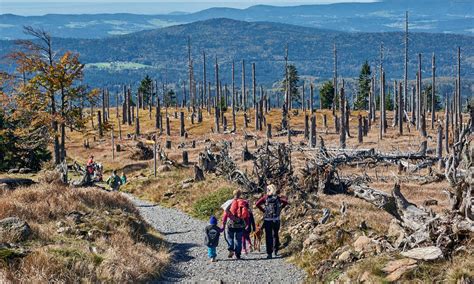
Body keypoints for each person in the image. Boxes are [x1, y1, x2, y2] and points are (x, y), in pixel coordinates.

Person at [255, 184, 288, 259]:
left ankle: (269, 253)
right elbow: (286, 202)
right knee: (275, 234)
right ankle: (275, 250)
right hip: (276, 219)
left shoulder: (265, 198)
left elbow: (257, 204)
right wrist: (280, 208)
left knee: (268, 236)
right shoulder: (278, 198)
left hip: (267, 220)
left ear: (268, 190)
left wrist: (264, 210)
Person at [222, 189, 249, 260]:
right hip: (240, 224)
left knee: (230, 237)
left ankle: (231, 249)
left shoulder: (229, 202)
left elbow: (225, 214)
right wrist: (247, 224)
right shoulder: (244, 202)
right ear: (240, 194)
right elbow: (247, 215)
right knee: (238, 239)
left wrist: (223, 223)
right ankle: (238, 254)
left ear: (233, 194)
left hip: (231, 224)